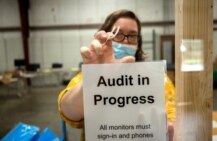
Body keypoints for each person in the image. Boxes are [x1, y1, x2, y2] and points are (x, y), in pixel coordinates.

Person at [58, 9, 176, 141]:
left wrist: (168, 129)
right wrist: (94, 79)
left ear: (138, 42)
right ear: (106, 37)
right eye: (118, 34)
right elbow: (68, 112)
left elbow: (173, 119)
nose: (125, 42)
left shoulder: (157, 78)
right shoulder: (89, 75)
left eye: (132, 36)